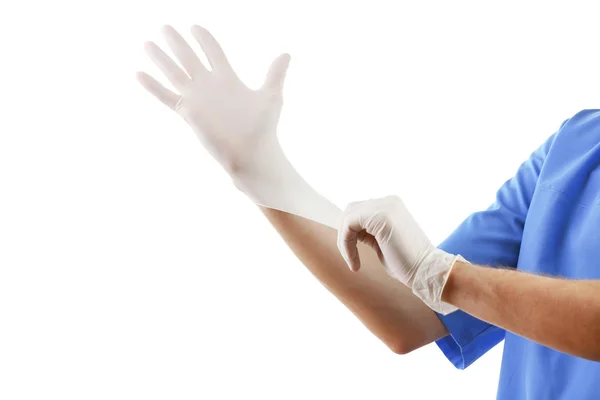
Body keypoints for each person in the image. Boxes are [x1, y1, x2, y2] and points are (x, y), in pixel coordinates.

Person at [137, 25, 600, 399]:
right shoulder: (576, 147)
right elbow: (416, 312)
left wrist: (442, 275)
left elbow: (440, 284)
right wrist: (262, 169)